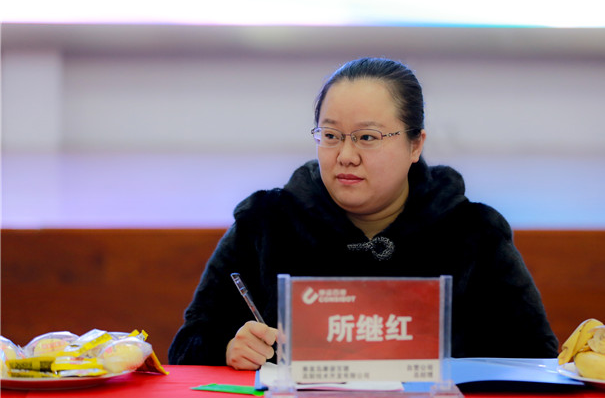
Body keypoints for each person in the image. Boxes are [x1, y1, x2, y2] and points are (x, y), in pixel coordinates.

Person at [168, 57, 558, 370]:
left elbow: (535, 357)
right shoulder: (265, 222)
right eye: (331, 136)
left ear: (415, 144)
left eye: (367, 138)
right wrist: (227, 348)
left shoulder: (473, 232)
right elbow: (186, 346)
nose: (346, 156)